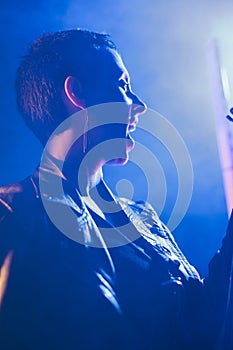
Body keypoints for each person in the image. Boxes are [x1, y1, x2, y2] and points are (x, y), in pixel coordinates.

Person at [0, 29, 232, 350]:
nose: (140, 106)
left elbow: (203, 322)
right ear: (77, 94)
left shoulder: (142, 217)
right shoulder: (16, 212)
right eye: (123, 86)